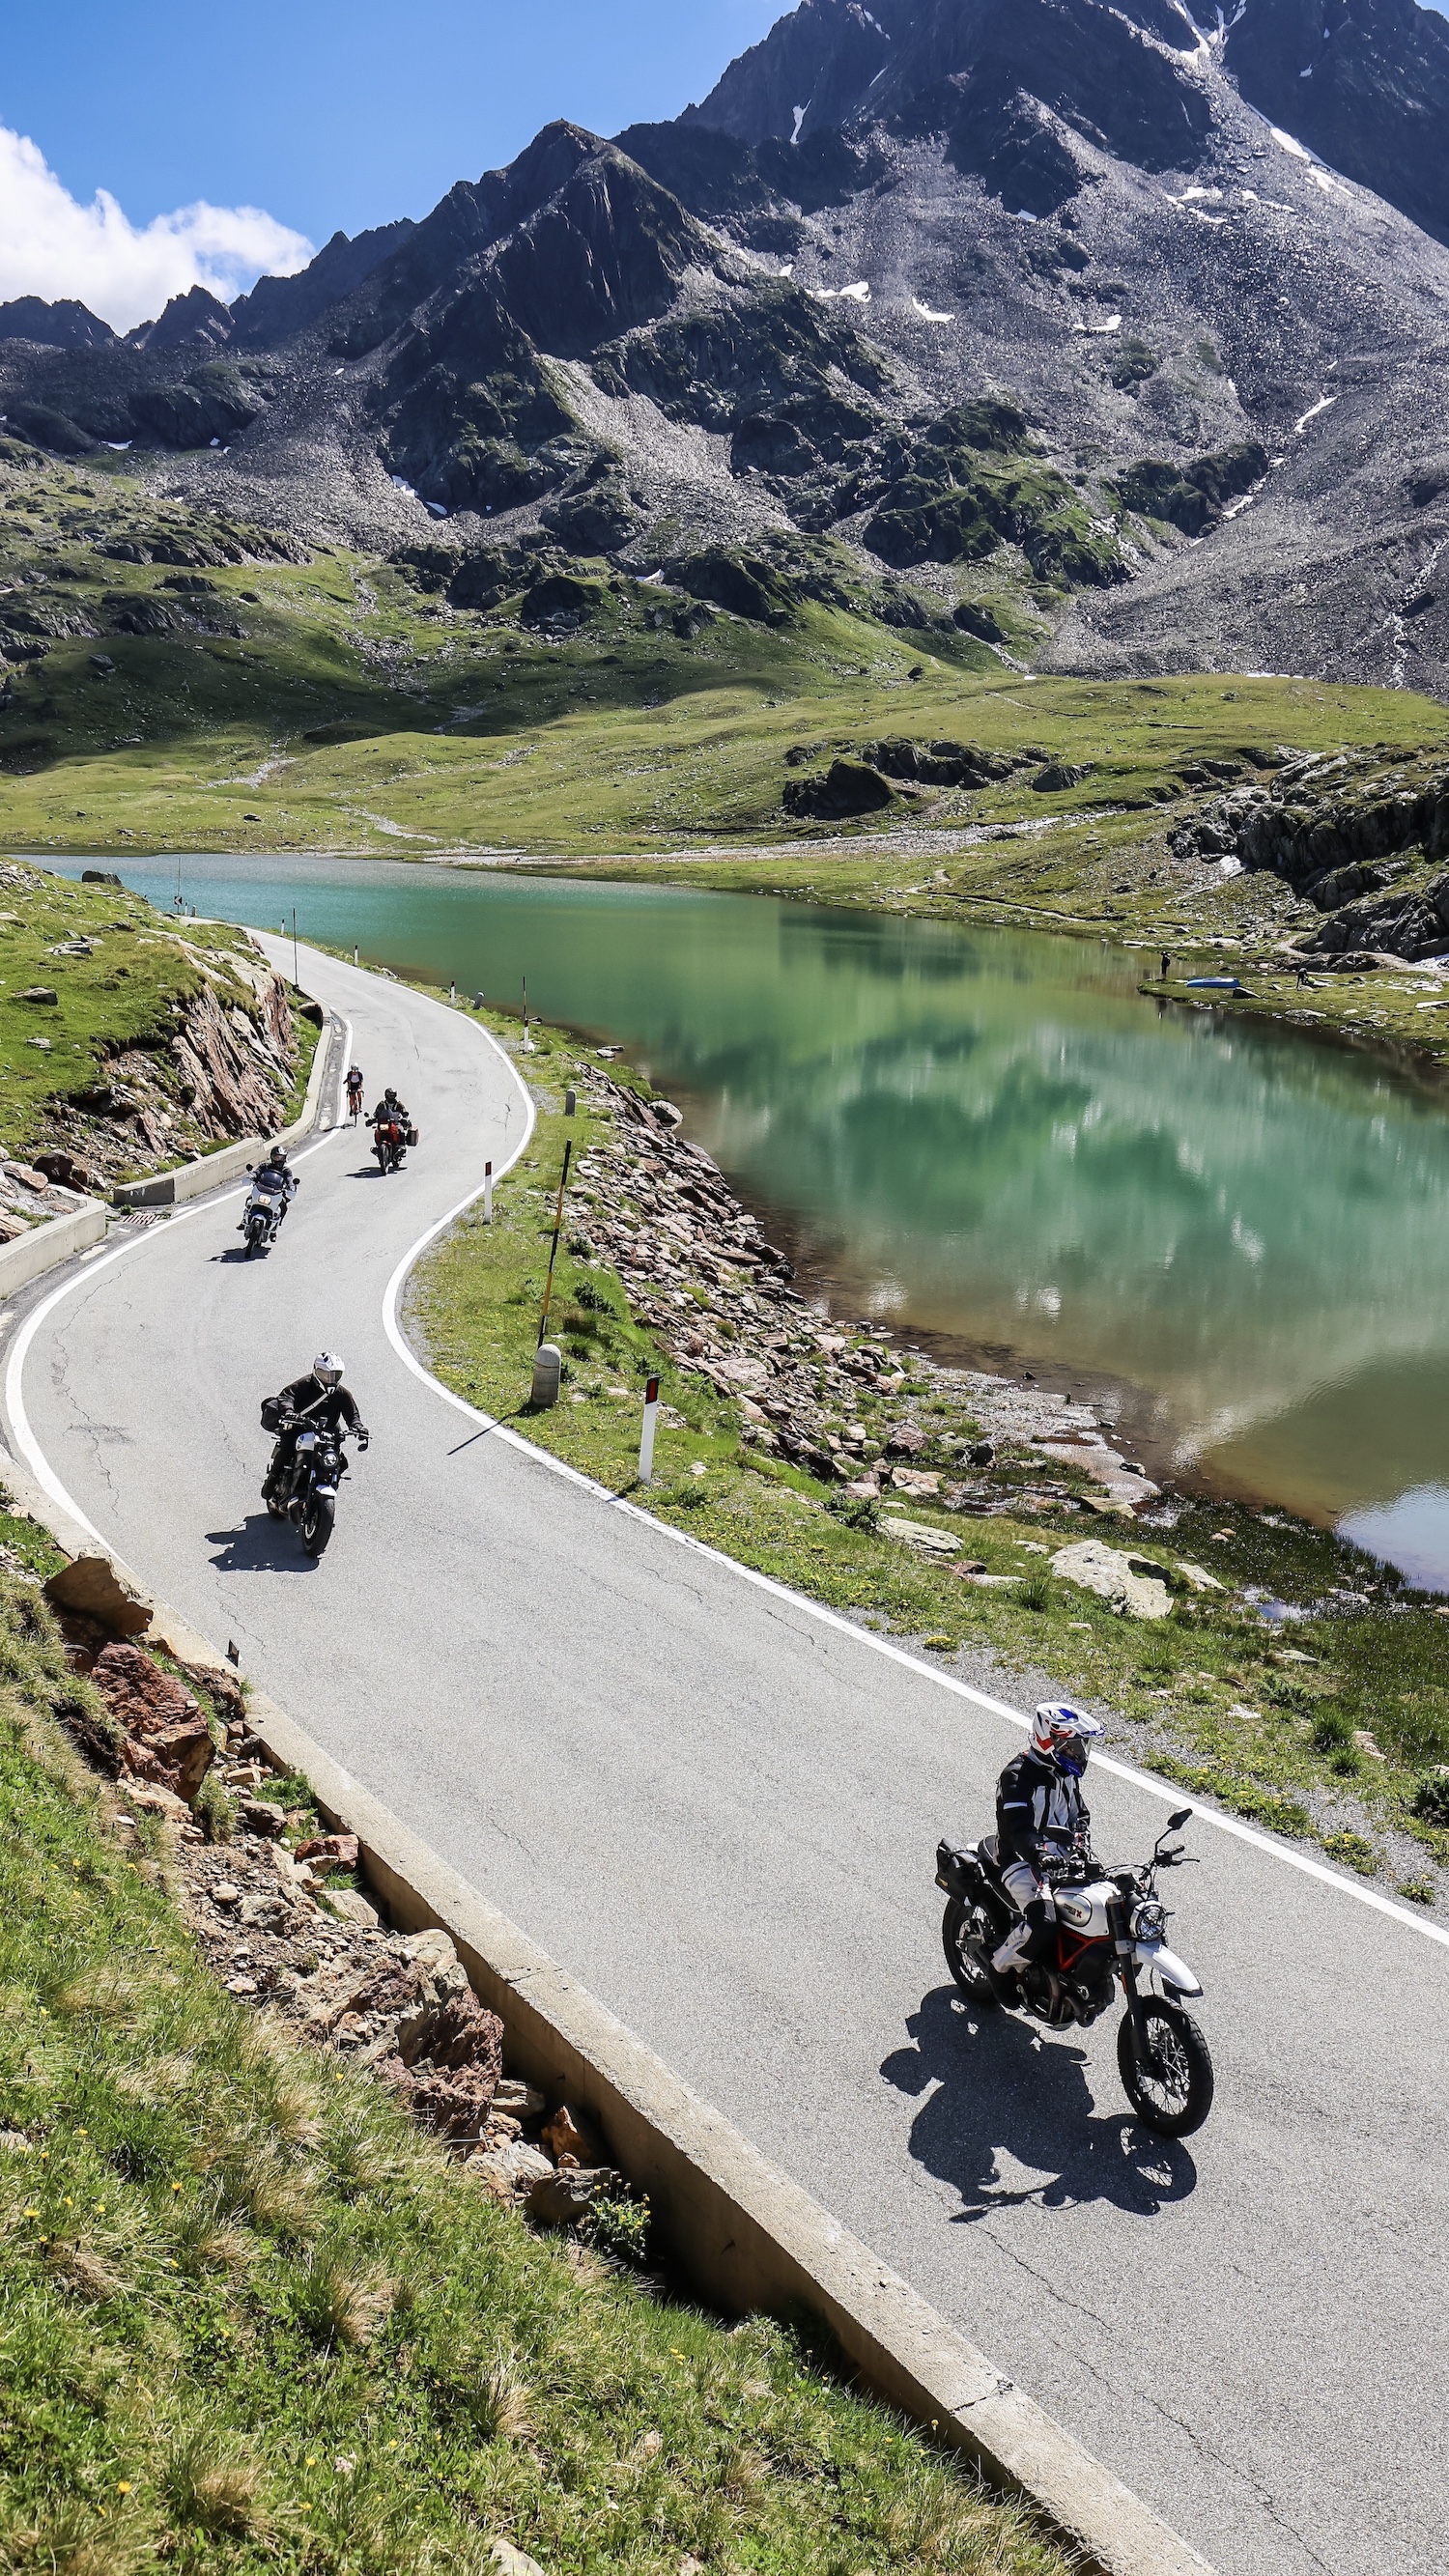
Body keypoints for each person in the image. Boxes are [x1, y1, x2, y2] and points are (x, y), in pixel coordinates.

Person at [990, 1703, 1105, 1976]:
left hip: (1062, 1859)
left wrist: (1080, 1842)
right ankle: (999, 1969)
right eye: (1071, 1746)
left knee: (1107, 1904)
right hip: (1020, 1860)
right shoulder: (1017, 1776)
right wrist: (1039, 1854)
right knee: (1043, 1922)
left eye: (1081, 1746)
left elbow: (1080, 1814)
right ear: (1047, 1739)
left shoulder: (1065, 1775)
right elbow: (1017, 1829)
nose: (1078, 1753)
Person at [264, 1351, 369, 1505]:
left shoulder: (342, 1393)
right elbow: (287, 1396)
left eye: (335, 1375)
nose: (330, 1379)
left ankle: (328, 1486)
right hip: (299, 1426)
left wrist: (358, 1427)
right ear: (316, 1371)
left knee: (340, 1460)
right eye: (326, 1375)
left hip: (328, 1430)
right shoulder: (303, 1385)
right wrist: (290, 1413)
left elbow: (352, 1414)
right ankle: (272, 1482)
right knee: (286, 1450)